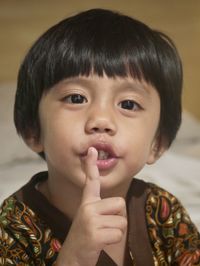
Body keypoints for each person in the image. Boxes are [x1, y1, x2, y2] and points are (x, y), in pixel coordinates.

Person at [0, 8, 199, 266]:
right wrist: (75, 258)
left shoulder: (161, 210)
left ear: (157, 144)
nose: (101, 121)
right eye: (76, 98)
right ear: (33, 131)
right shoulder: (13, 227)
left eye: (128, 104)